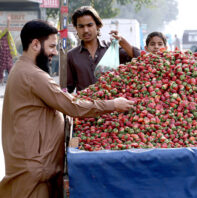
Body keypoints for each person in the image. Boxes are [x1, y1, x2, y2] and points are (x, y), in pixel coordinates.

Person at [0, 19, 134, 198]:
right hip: (34, 168)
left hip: (33, 164)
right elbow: (71, 106)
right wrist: (113, 105)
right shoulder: (33, 75)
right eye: (52, 46)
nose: (55, 52)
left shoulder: (21, 69)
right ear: (35, 45)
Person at [67, 6, 140, 93]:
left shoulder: (112, 49)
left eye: (89, 25)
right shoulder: (71, 56)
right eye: (81, 26)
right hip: (84, 105)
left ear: (97, 26)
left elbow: (139, 58)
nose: (85, 30)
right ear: (76, 28)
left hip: (112, 104)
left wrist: (122, 41)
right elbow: (68, 87)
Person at [0, 16, 17, 84]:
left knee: (10, 69)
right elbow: (7, 29)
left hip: (7, 54)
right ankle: (2, 82)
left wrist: (8, 22)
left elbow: (7, 29)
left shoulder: (4, 35)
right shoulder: (1, 35)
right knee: (1, 70)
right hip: (2, 56)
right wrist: (8, 22)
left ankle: (12, 83)